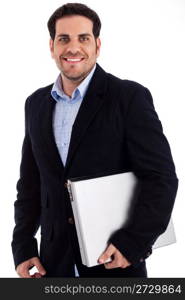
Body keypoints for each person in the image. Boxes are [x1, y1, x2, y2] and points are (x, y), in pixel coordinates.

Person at [12, 3, 178, 278]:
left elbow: (161, 178)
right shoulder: (35, 104)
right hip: (54, 265)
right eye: (64, 39)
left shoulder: (128, 97)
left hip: (114, 262)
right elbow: (30, 183)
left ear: (97, 45)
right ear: (52, 46)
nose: (73, 48)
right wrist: (23, 246)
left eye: (83, 38)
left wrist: (133, 242)